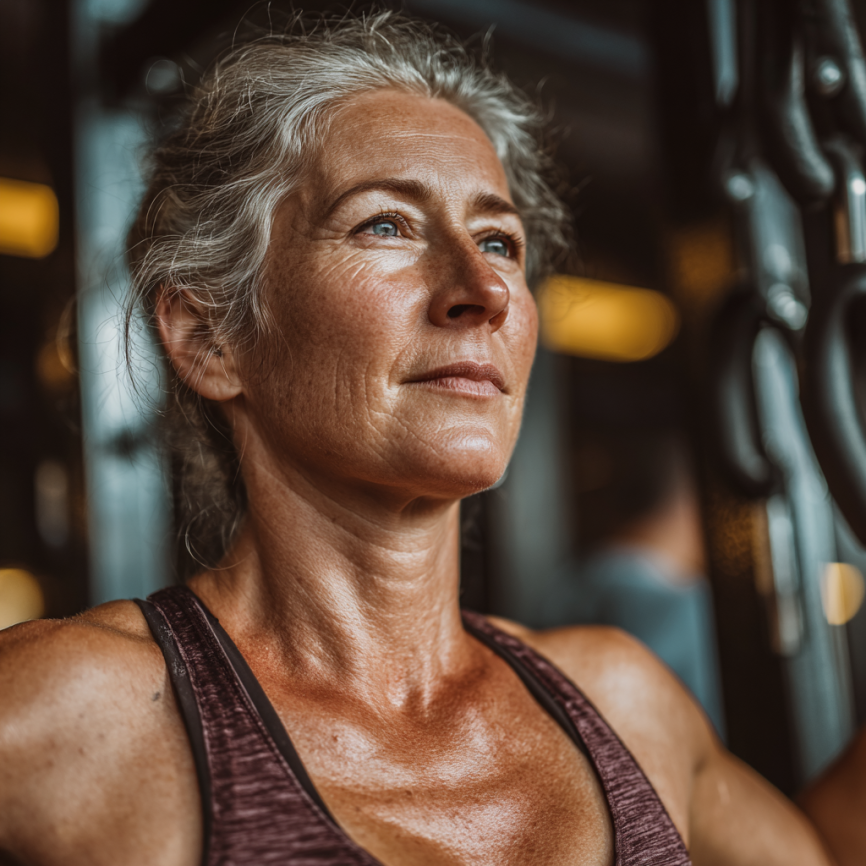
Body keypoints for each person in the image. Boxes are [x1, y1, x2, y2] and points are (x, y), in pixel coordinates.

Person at [0, 12, 833, 866]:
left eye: (500, 242)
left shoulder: (621, 700)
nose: (483, 290)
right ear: (212, 339)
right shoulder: (70, 713)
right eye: (385, 225)